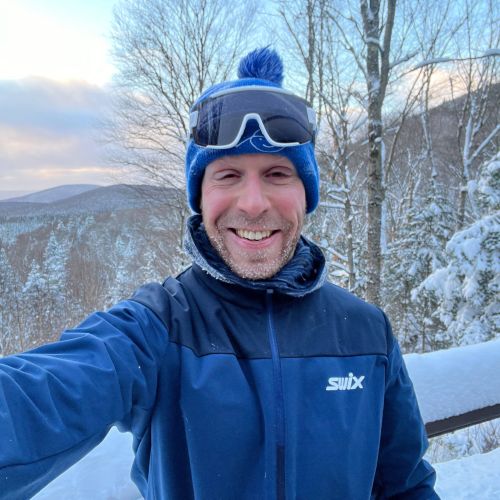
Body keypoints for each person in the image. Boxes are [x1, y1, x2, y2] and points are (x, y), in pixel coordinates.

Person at [0, 48, 438, 499]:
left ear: (305, 194)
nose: (253, 203)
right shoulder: (158, 329)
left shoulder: (367, 333)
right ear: (201, 196)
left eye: (277, 173)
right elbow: (41, 395)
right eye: (228, 175)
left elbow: (407, 486)